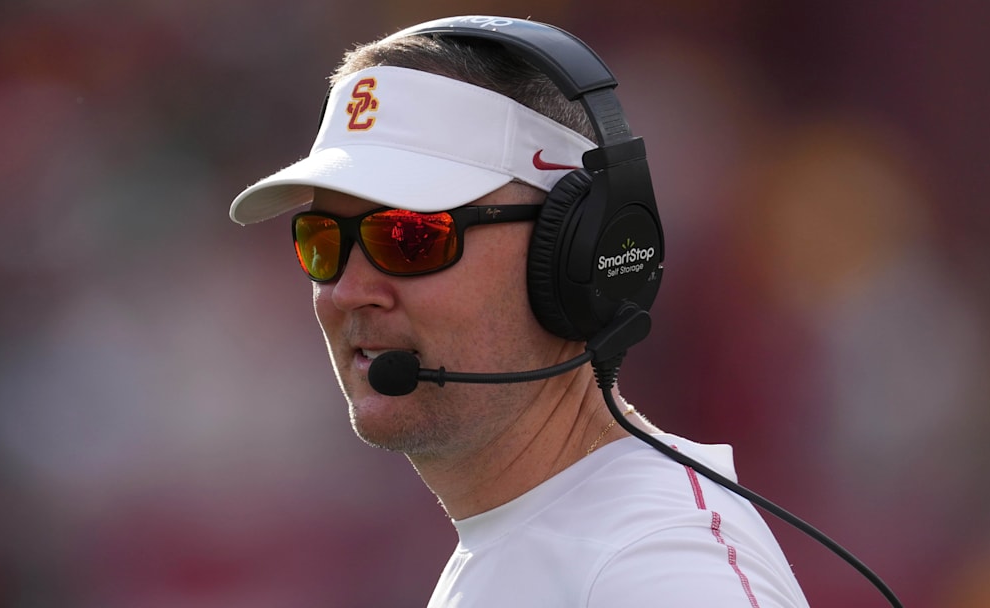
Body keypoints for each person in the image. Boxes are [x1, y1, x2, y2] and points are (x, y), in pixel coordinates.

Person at [229, 15, 810, 607]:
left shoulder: (655, 565)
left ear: (572, 251)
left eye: (411, 236)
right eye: (322, 241)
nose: (347, 290)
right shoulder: (558, 544)